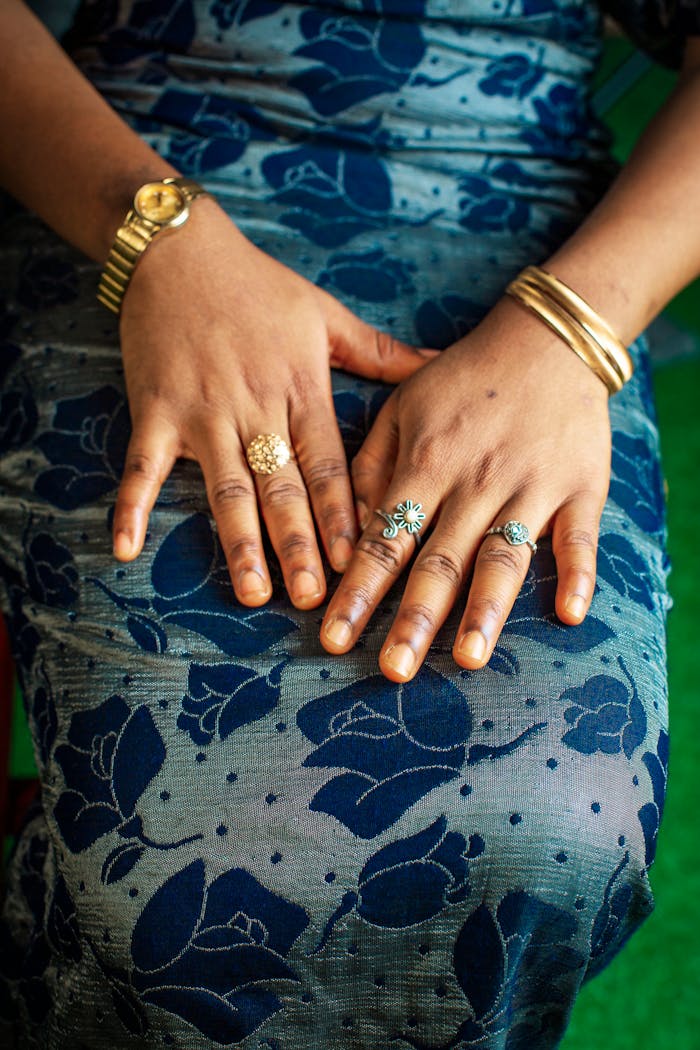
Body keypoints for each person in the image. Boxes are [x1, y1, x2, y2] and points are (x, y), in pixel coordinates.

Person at [0, 0, 691, 1045]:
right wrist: (156, 237)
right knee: (158, 845)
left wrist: (572, 330)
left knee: (563, 826)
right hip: (132, 169)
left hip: (535, 254)